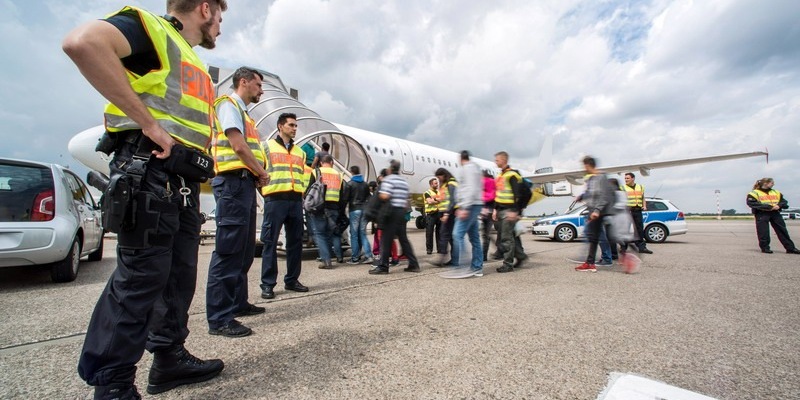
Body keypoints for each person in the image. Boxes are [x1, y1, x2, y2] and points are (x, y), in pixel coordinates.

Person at [63, 1, 228, 398]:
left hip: (182, 182)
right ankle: (112, 383)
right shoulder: (154, 31)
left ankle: (168, 357)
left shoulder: (192, 61)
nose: (220, 28)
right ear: (205, 9)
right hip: (149, 171)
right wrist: (147, 122)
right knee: (140, 279)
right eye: (220, 17)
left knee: (176, 278)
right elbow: (82, 43)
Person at [205, 67, 269, 338]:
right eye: (257, 85)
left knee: (243, 250)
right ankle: (219, 318)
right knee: (229, 250)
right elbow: (239, 147)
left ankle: (237, 302)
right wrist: (262, 172)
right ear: (244, 82)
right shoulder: (229, 106)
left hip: (243, 184)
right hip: (232, 183)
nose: (261, 90)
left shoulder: (244, 113)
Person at [259, 113, 309, 299]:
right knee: (270, 242)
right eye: (291, 125)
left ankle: (292, 280)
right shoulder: (266, 147)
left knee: (296, 243)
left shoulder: (300, 152)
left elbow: (302, 176)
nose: (294, 128)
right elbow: (259, 171)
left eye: (296, 125)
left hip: (295, 200)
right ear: (280, 126)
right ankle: (267, 284)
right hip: (275, 199)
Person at [368, 160, 421, 274]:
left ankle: (383, 266)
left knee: (386, 240)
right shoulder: (404, 182)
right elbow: (407, 197)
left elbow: (385, 195)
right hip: (401, 212)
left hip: (391, 212)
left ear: (390, 169)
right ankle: (413, 264)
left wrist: (377, 199)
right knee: (404, 240)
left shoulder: (389, 180)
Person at [443, 151, 484, 277]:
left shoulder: (468, 169)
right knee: (474, 238)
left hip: (470, 205)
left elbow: (469, 188)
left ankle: (464, 267)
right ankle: (477, 267)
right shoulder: (474, 169)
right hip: (473, 204)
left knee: (457, 234)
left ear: (461, 158)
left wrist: (464, 207)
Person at [575, 156, 615, 272]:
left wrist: (597, 211)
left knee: (593, 236)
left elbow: (604, 196)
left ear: (588, 165)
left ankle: (592, 262)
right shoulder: (592, 179)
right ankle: (590, 262)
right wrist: (581, 197)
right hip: (592, 211)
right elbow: (589, 193)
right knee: (594, 237)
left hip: (598, 213)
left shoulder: (602, 177)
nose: (583, 168)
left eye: (584, 166)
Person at [493, 151, 528, 273]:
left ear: (504, 160)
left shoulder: (512, 175)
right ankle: (521, 255)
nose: (495, 162)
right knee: (508, 236)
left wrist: (515, 211)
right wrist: (495, 209)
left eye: (497, 160)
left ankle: (508, 264)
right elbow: (499, 195)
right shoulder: (501, 176)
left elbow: (516, 195)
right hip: (501, 210)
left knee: (506, 238)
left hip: (509, 210)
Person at [746, 178, 800, 254]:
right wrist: (769, 207)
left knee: (782, 230)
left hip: (775, 213)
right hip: (762, 213)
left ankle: (790, 248)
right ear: (765, 183)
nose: (773, 184)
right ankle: (765, 248)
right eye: (772, 183)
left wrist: (779, 205)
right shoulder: (754, 193)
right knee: (763, 231)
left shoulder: (776, 192)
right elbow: (752, 203)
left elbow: (784, 202)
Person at [309, 155, 345, 269]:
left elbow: (311, 190)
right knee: (329, 234)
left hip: (319, 207)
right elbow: (342, 195)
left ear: (320, 162)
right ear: (332, 162)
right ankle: (329, 257)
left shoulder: (316, 172)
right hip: (334, 208)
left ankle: (326, 260)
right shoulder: (339, 175)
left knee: (320, 234)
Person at [344, 165, 373, 264]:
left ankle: (355, 258)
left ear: (352, 172)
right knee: (363, 234)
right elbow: (369, 197)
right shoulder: (365, 184)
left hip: (354, 210)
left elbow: (345, 198)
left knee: (354, 235)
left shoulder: (350, 184)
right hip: (364, 210)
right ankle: (369, 256)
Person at [432, 168, 458, 266]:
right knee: (450, 237)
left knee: (444, 234)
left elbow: (452, 200)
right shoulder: (445, 185)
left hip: (450, 213)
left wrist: (447, 213)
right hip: (445, 212)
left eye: (439, 177)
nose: (438, 179)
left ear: (443, 175)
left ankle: (441, 258)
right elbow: (444, 198)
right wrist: (436, 199)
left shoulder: (451, 184)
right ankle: (454, 260)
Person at [623, 172, 653, 254]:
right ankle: (623, 248)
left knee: (639, 230)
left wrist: (644, 206)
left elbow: (643, 198)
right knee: (625, 230)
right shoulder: (623, 188)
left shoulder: (640, 187)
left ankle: (642, 247)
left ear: (633, 178)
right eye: (625, 178)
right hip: (627, 211)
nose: (626, 180)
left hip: (637, 210)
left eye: (627, 178)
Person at [423, 178, 442, 255]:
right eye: (435, 183)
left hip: (439, 213)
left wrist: (434, 199)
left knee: (439, 233)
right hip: (431, 214)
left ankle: (439, 249)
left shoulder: (439, 192)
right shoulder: (427, 192)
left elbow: (442, 200)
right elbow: (429, 201)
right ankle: (429, 249)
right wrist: (437, 200)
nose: (437, 184)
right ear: (431, 184)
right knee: (429, 233)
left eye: (437, 183)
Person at [481, 169, 496, 262]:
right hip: (484, 214)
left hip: (490, 214)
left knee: (486, 235)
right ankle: (484, 256)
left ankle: (484, 256)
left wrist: (494, 210)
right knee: (485, 235)